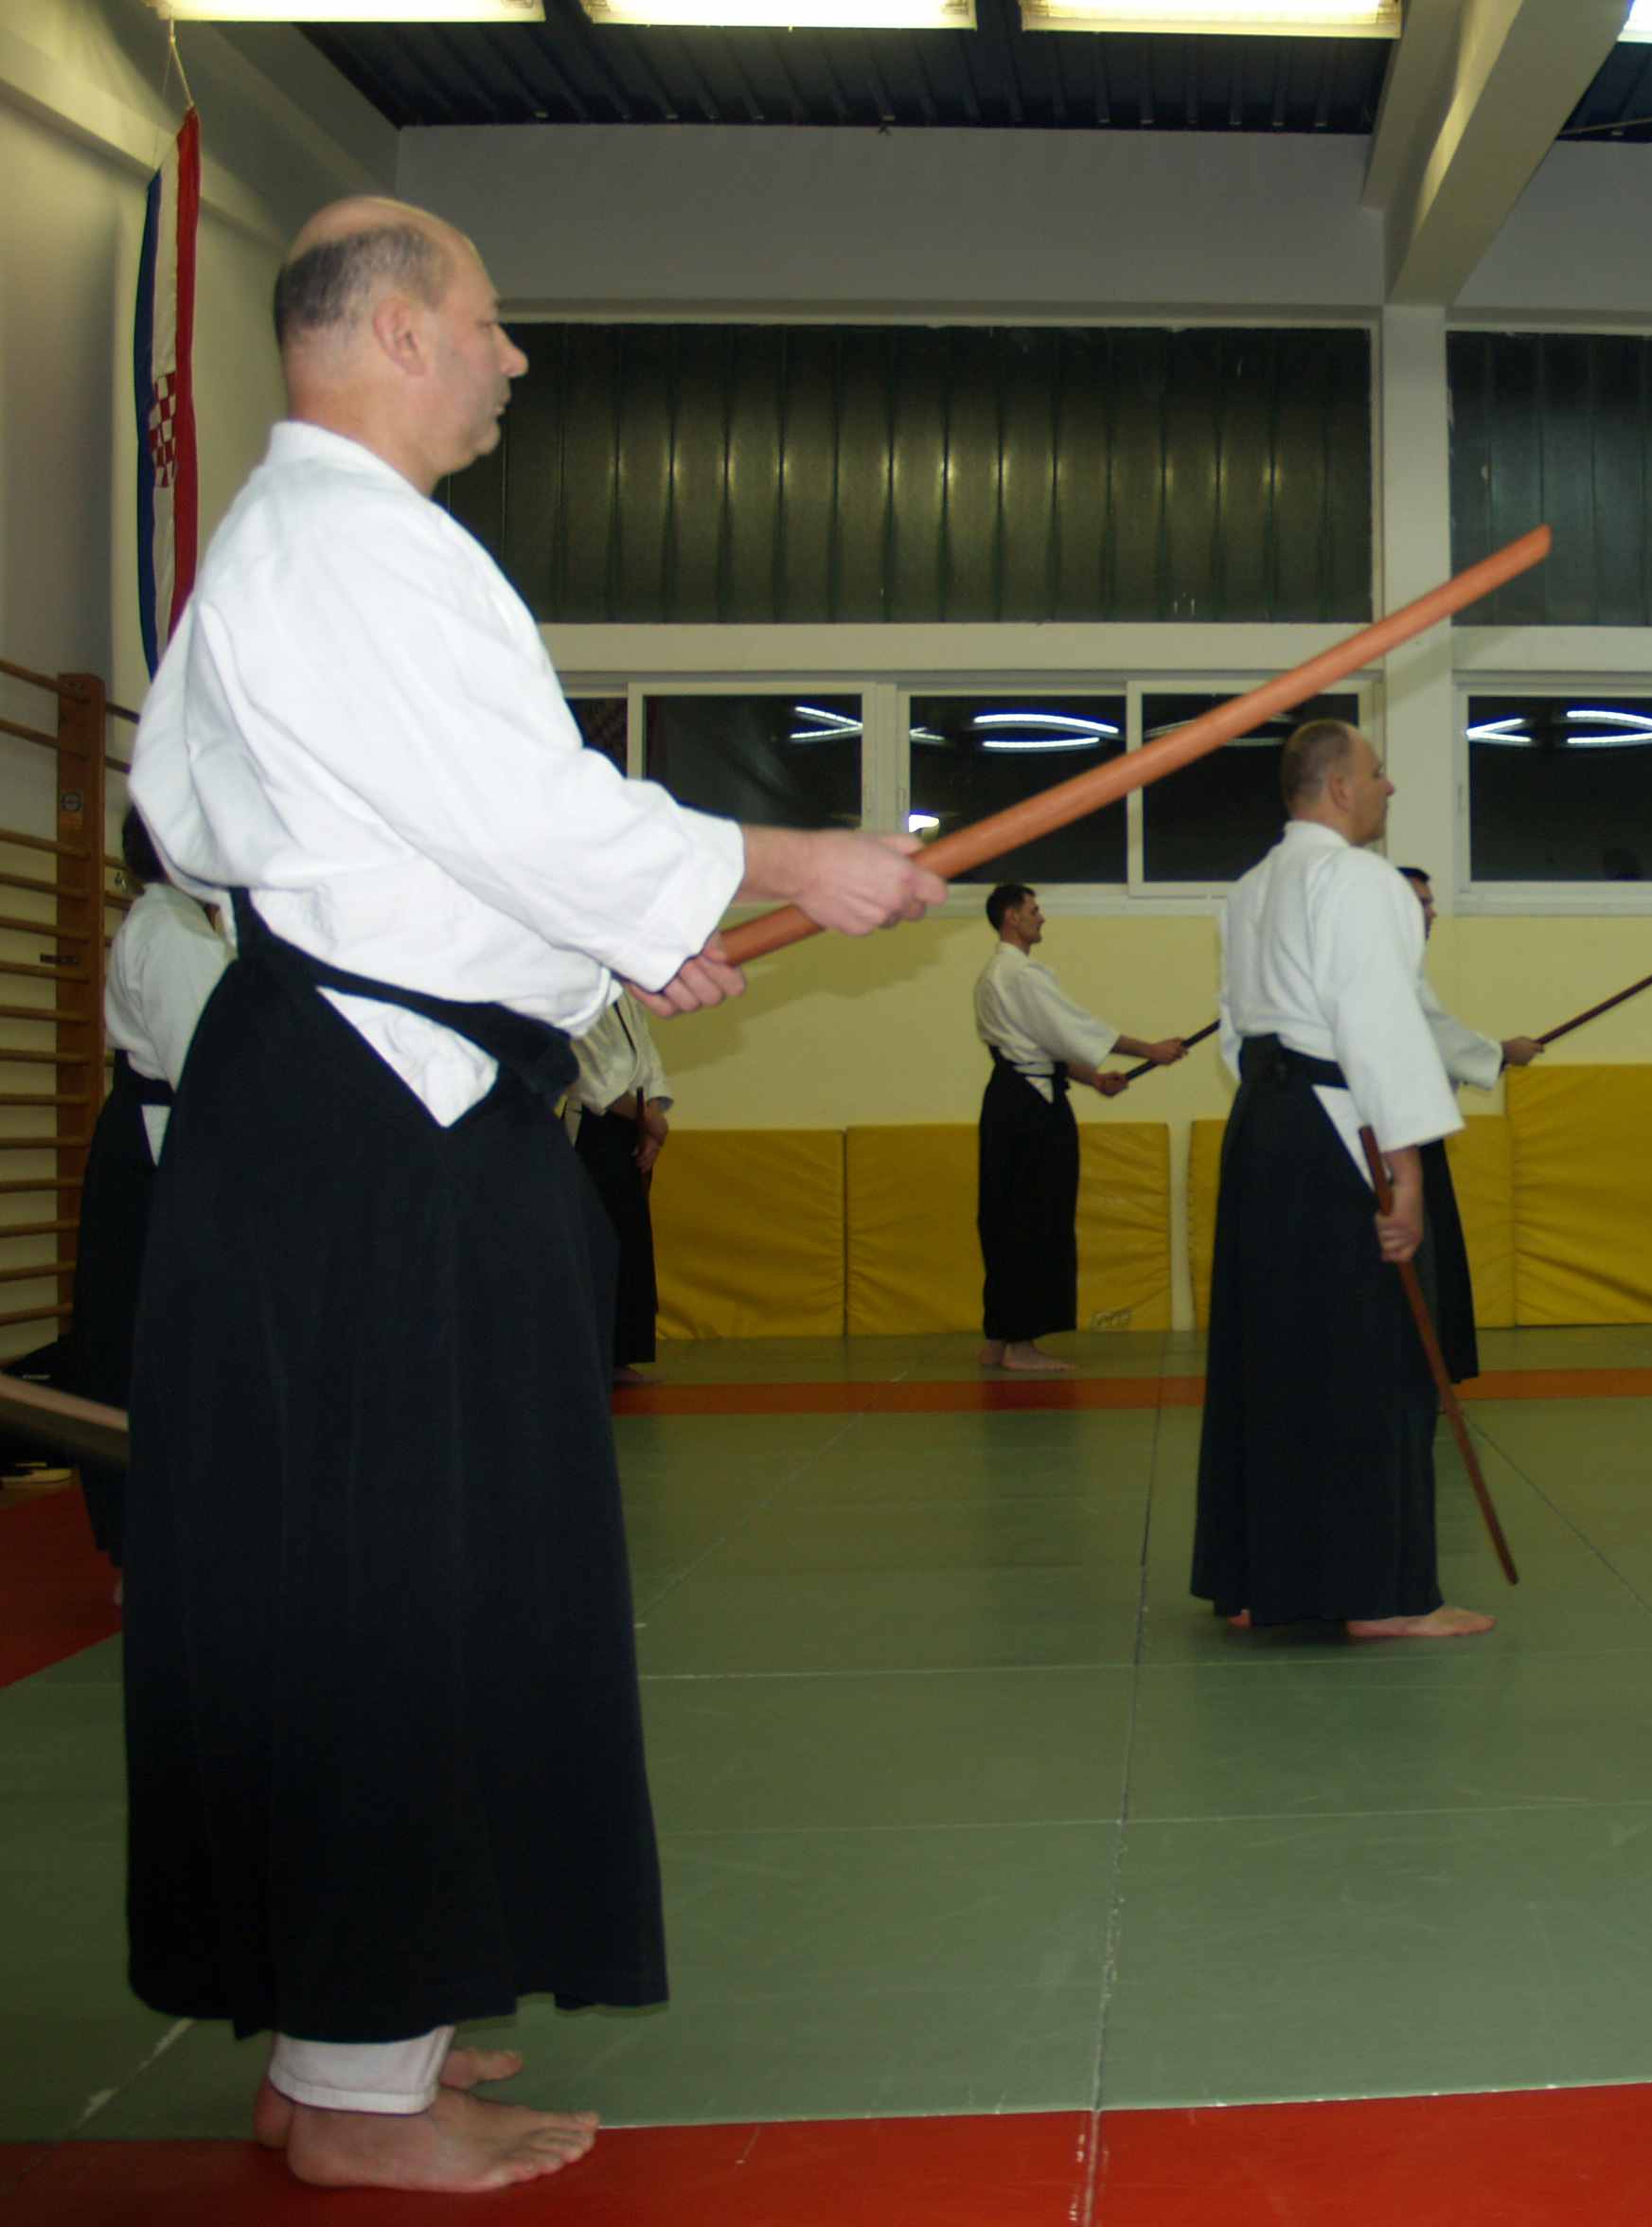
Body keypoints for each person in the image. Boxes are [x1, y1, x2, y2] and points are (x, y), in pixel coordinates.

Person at [123, 195, 943, 2197]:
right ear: (398, 331)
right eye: (488, 323)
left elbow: (430, 849)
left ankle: (358, 2017)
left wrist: (629, 955)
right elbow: (515, 813)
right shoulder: (343, 543)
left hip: (374, 1106)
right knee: (401, 1590)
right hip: (372, 1149)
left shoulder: (327, 548)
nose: (512, 355)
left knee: (396, 1583)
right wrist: (780, 859)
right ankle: (354, 2101)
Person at [1192, 722, 1492, 1642]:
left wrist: (1280, 1122)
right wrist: (1401, 1170)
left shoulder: (1249, 889)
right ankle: (1382, 1597)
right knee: (1375, 1361)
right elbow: (1376, 1022)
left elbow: (1237, 1029)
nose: (1389, 787)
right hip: (1336, 1130)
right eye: (1376, 772)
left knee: (1269, 1360)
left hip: (1264, 1131)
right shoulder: (1355, 881)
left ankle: (1253, 1580)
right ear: (1335, 788)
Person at [62, 810, 230, 1577]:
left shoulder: (194, 924)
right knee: (143, 1346)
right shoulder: (170, 929)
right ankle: (147, 1550)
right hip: (160, 1157)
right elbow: (207, 1066)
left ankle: (167, 1540)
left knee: (167, 1346)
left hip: (171, 1149)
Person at [972, 882, 1185, 1373]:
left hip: (1010, 1102)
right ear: (1011, 917)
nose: (1041, 917)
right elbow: (1075, 1028)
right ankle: (1020, 1346)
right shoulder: (1020, 975)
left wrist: (1092, 1078)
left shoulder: (993, 976)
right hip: (1030, 1113)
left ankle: (1000, 1338)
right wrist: (1150, 1050)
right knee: (1035, 1217)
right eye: (1033, 910)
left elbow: (1037, 1047)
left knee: (1005, 1214)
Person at [1394, 864, 1540, 1381]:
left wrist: (1494, 1055)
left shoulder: (1404, 965)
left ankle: (1422, 1370)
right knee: (1417, 1263)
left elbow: (1429, 1049)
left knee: (1431, 1262)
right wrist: (1501, 1052)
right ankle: (1412, 1372)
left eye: (1432, 902)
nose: (1433, 912)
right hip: (1393, 1144)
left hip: (1410, 1133)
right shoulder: (1387, 966)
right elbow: (1434, 1038)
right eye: (1421, 902)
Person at [565, 996, 672, 1381]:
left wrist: (652, 1117)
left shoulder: (623, 993)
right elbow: (588, 1075)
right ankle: (588, 1353)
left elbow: (646, 1057)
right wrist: (647, 1119)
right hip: (593, 1128)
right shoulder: (577, 990)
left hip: (631, 1122)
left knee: (631, 1237)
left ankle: (619, 1353)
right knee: (598, 1241)